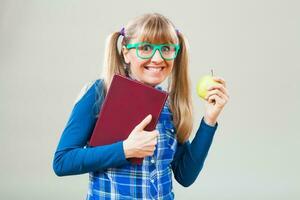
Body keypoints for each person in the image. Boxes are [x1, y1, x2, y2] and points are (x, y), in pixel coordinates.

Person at [53, 13, 229, 200]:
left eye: (166, 49)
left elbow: (186, 176)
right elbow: (62, 162)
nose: (157, 58)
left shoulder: (169, 105)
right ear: (126, 53)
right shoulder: (100, 93)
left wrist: (210, 119)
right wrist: (125, 149)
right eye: (145, 48)